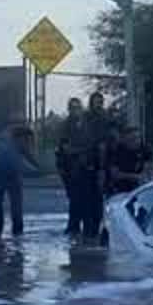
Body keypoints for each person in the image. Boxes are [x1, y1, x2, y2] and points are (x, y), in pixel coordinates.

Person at [73, 92, 112, 240]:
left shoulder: (104, 118)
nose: (99, 105)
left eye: (100, 102)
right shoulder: (86, 119)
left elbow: (105, 142)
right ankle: (88, 231)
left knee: (97, 200)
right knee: (86, 200)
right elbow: (83, 141)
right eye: (96, 102)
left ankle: (93, 231)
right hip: (87, 165)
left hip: (99, 164)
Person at [54, 97, 85, 235]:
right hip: (69, 169)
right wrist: (84, 149)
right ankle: (73, 227)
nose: (76, 111)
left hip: (81, 168)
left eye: (78, 107)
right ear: (69, 110)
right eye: (73, 108)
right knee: (74, 198)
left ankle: (77, 226)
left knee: (81, 198)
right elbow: (66, 149)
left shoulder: (85, 125)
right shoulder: (66, 126)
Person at [105, 124, 153, 195]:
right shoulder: (116, 150)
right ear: (124, 140)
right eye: (132, 139)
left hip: (139, 188)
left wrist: (144, 176)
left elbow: (147, 170)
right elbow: (115, 175)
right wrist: (135, 177)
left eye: (138, 138)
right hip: (118, 189)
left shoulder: (146, 149)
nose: (136, 141)